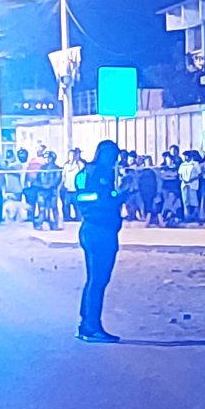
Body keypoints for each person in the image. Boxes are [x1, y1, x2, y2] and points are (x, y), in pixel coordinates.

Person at [74, 140, 129, 343]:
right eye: (112, 155)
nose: (115, 159)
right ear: (103, 154)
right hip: (97, 229)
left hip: (100, 229)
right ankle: (91, 327)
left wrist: (119, 195)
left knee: (97, 280)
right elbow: (83, 198)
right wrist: (111, 198)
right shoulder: (92, 173)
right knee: (97, 280)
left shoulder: (101, 173)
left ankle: (87, 324)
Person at [178, 150, 204, 224]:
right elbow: (180, 174)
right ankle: (187, 216)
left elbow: (199, 174)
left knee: (194, 200)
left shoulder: (195, 164)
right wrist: (184, 179)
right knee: (186, 201)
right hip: (184, 184)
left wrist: (191, 179)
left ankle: (196, 216)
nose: (186, 157)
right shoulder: (182, 165)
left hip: (193, 184)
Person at [61, 149, 85, 222]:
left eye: (74, 155)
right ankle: (67, 218)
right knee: (66, 205)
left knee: (77, 205)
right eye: (70, 155)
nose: (72, 157)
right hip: (67, 188)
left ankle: (78, 218)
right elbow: (63, 176)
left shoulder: (80, 165)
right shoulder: (66, 165)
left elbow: (83, 175)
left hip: (76, 189)